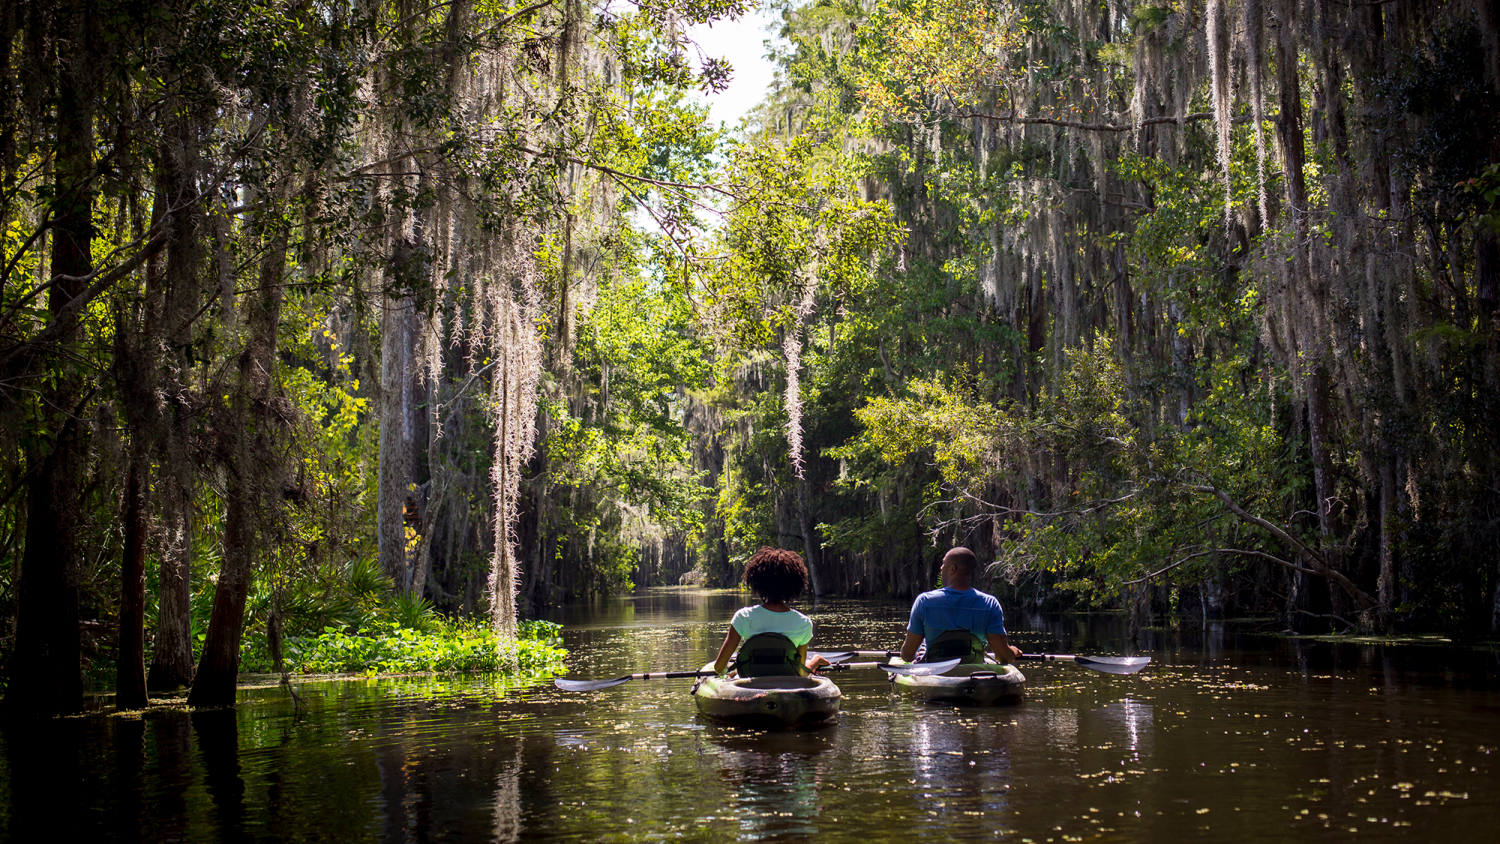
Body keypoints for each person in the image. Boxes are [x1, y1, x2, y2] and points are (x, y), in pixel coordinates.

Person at [713, 547, 831, 676]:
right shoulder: (803, 623)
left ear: (757, 582)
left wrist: (735, 670)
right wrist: (815, 661)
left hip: (750, 685)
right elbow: (801, 673)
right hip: (786, 684)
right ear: (794, 585)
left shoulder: (743, 617)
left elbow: (719, 667)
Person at [900, 546, 1023, 664]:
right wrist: (1013, 651)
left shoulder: (924, 601)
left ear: (952, 569)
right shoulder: (990, 604)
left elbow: (907, 655)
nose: (941, 568)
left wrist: (914, 656)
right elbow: (1003, 656)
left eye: (944, 564)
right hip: (973, 672)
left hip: (935, 671)